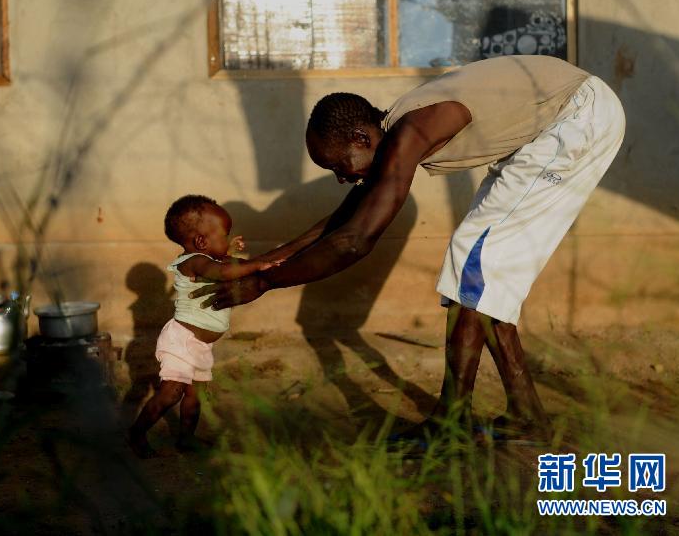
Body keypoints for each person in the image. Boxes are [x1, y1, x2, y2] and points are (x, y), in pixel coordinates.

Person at [191, 55, 625, 443]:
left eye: (340, 166)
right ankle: (525, 415)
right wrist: (268, 260)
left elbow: (357, 241)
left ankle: (451, 422)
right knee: (480, 270)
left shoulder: (411, 131)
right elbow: (347, 218)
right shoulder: (393, 132)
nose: (341, 177)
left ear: (362, 138)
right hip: (557, 122)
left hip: (576, 117)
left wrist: (266, 282)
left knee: (475, 261)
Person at [127, 195, 278, 458]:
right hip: (182, 341)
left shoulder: (204, 258)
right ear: (201, 242)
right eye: (224, 234)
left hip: (199, 345)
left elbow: (219, 264)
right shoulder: (193, 262)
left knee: (195, 396)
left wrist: (227, 249)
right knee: (171, 393)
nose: (227, 238)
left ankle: (186, 439)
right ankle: (137, 433)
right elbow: (222, 273)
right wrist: (256, 264)